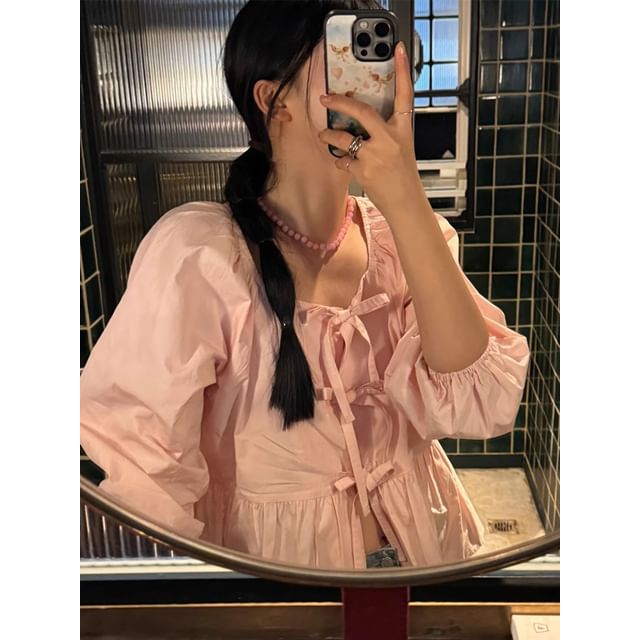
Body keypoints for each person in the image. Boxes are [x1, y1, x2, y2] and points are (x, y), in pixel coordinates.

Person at [80, 0, 530, 570]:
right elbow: (147, 470)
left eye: (381, 67)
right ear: (274, 100)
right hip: (276, 583)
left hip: (425, 556)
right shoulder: (200, 257)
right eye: (345, 64)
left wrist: (404, 197)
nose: (373, 87)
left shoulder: (404, 240)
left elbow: (479, 407)